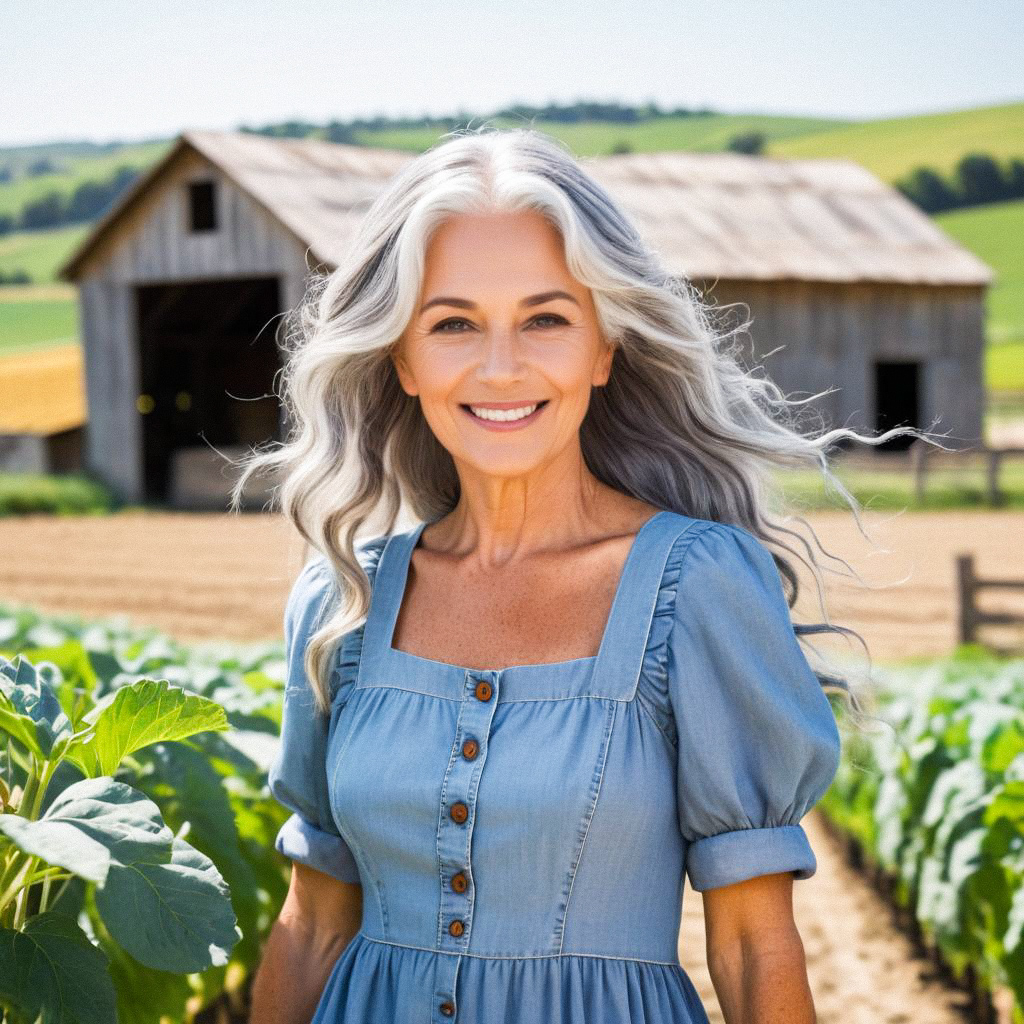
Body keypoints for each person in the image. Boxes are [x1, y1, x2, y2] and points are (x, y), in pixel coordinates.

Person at [243, 127, 910, 1023]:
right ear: (402, 357)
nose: (501, 365)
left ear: (604, 348)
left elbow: (753, 946)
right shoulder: (342, 605)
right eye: (453, 324)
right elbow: (313, 921)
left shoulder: (697, 586)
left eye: (546, 318)